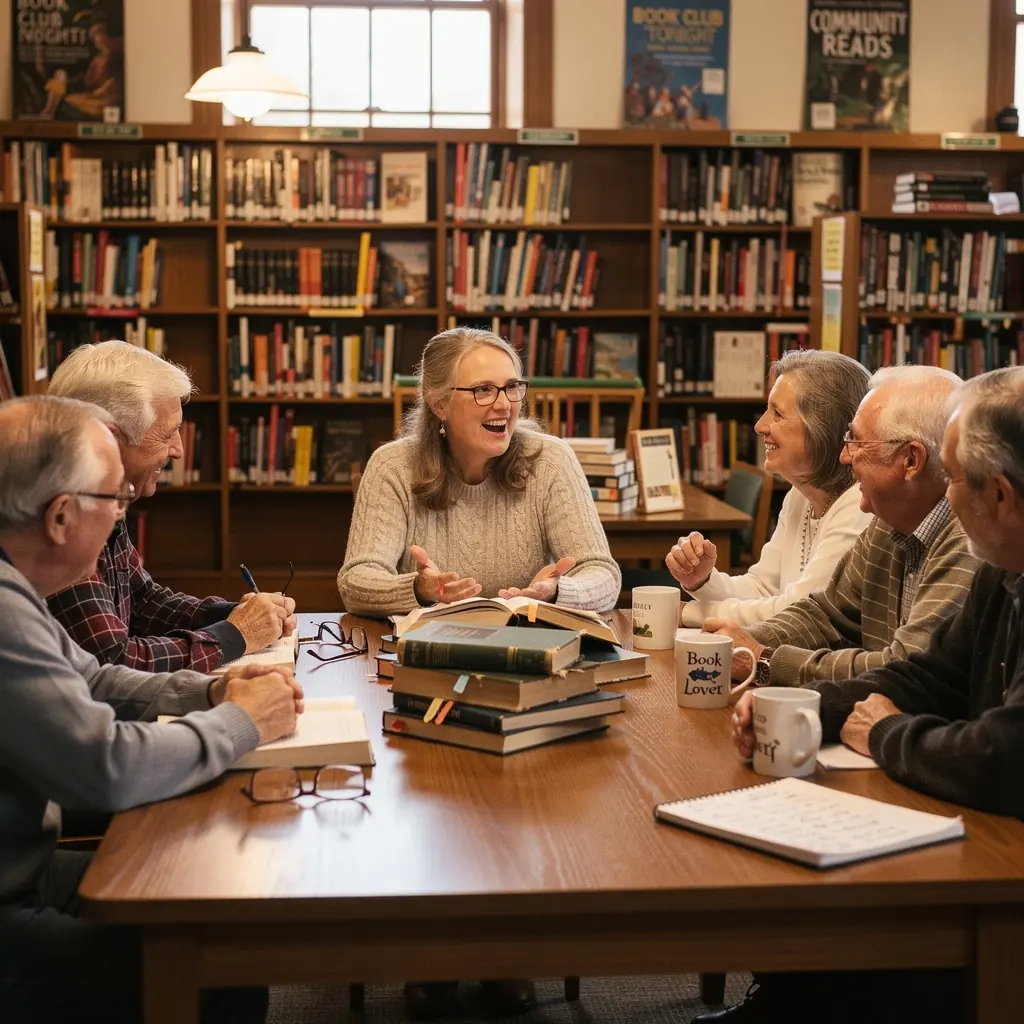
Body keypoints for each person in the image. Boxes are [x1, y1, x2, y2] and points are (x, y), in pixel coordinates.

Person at [717, 367, 1024, 1024]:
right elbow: (928, 675)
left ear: (1001, 495)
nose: (947, 494)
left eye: (957, 480)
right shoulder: (1006, 570)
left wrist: (883, 733)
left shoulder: (987, 559)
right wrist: (809, 708)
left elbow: (1005, 755)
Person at [0, 396, 303, 1023]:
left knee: (201, 898)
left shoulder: (16, 586)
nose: (122, 517)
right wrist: (241, 723)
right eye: (115, 501)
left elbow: (95, 679)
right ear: (60, 516)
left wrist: (214, 691)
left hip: (22, 863)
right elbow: (104, 765)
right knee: (221, 966)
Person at [703, 365, 977, 687]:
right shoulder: (887, 524)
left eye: (858, 442)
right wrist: (733, 642)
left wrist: (763, 659)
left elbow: (906, 667)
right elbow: (823, 614)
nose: (845, 457)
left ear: (911, 461)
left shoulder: (970, 542)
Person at [338, 326, 621, 619]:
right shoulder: (392, 467)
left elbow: (603, 575)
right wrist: (419, 590)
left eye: (511, 387)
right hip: (428, 651)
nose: (504, 405)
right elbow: (356, 581)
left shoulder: (550, 460)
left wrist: (558, 592)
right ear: (439, 403)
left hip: (526, 650)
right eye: (483, 390)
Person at [47, 341, 295, 673]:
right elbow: (113, 664)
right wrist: (236, 634)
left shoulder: (107, 495)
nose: (178, 450)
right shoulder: (66, 520)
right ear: (110, 438)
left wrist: (230, 614)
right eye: (168, 433)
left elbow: (143, 600)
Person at [668, 350, 872, 627]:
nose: (759, 425)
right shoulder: (799, 496)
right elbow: (763, 587)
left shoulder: (859, 506)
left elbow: (798, 612)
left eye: (777, 414)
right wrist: (703, 579)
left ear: (823, 429)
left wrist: (690, 614)